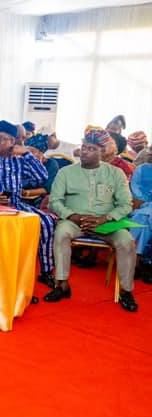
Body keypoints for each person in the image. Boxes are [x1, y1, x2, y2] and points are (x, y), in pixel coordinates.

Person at [44, 129, 138, 312]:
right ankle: (61, 284)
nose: (85, 152)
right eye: (84, 147)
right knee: (61, 232)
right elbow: (54, 201)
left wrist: (106, 218)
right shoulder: (66, 172)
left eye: (91, 149)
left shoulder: (116, 174)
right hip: (74, 220)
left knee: (126, 242)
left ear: (102, 151)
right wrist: (73, 216)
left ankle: (126, 291)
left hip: (107, 222)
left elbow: (127, 204)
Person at [0, 120, 55, 286]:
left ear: (13, 143)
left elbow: (41, 177)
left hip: (16, 206)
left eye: (2, 138)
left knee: (47, 222)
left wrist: (26, 153)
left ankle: (46, 271)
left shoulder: (19, 160)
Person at [129, 162, 152, 282]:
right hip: (141, 208)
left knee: (143, 217)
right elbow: (136, 195)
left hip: (144, 210)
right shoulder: (141, 169)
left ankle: (135, 261)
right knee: (143, 217)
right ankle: (142, 261)